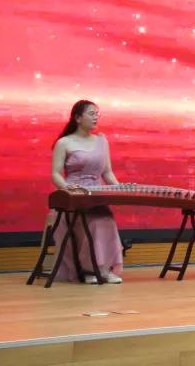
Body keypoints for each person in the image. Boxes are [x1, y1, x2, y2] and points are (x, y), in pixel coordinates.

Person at [50, 100, 123, 283]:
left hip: (96, 195)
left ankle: (103, 269)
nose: (96, 117)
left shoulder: (101, 141)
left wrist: (120, 188)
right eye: (91, 114)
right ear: (77, 118)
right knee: (90, 224)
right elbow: (56, 174)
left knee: (106, 221)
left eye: (97, 114)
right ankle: (89, 270)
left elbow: (107, 172)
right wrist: (68, 190)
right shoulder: (64, 142)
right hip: (74, 196)